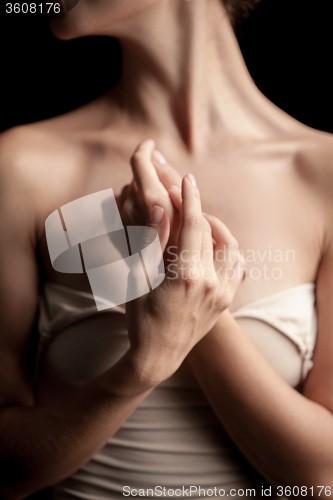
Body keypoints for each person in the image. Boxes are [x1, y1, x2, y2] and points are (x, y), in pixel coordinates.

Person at [0, 0, 333, 498]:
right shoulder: (21, 168)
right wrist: (140, 369)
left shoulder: (323, 174)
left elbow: (324, 478)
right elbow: (5, 473)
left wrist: (172, 278)